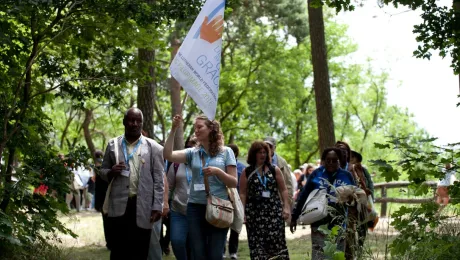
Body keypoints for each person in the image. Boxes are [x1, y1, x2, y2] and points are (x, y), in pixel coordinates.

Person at [163, 114, 237, 260]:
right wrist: (173, 129)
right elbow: (168, 155)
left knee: (215, 254)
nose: (195, 130)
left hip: (219, 207)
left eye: (199, 127)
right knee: (198, 253)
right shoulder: (193, 153)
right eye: (194, 127)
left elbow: (233, 182)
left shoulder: (226, 152)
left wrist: (218, 172)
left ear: (211, 129)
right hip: (195, 208)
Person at [100, 108, 165, 260]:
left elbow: (159, 180)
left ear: (142, 124)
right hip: (119, 206)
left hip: (143, 206)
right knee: (118, 251)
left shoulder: (154, 147)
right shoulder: (113, 145)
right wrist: (110, 172)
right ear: (124, 122)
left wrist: (157, 206)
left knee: (140, 251)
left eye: (138, 121)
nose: (134, 124)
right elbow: (102, 171)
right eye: (131, 120)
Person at [291, 148, 356, 260]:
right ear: (323, 161)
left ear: (339, 161)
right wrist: (294, 216)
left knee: (336, 256)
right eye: (328, 160)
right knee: (319, 256)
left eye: (334, 160)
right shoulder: (316, 174)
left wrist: (350, 201)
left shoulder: (346, 176)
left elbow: (355, 198)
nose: (330, 163)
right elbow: (304, 195)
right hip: (319, 223)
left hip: (339, 224)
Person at [240, 141, 290, 259]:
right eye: (259, 152)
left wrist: (286, 207)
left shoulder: (274, 169)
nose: (262, 155)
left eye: (264, 152)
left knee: (277, 244)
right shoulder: (246, 172)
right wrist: (242, 212)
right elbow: (242, 193)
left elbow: (283, 190)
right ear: (254, 154)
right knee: (257, 247)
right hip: (254, 215)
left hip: (274, 212)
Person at [167, 138, 196, 260]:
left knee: (195, 246)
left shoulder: (206, 162)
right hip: (178, 211)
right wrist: (164, 204)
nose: (191, 149)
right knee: (177, 241)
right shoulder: (176, 164)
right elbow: (168, 186)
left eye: (194, 147)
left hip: (198, 212)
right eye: (189, 146)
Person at [223, 143, 246, 259]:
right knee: (223, 223)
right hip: (224, 198)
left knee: (235, 227)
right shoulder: (221, 164)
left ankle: (233, 252)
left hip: (237, 200)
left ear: (235, 153)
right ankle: (222, 250)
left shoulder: (241, 168)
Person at [350, 150, 374, 252]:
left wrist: (370, 197)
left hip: (363, 201)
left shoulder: (363, 170)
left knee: (362, 226)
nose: (351, 159)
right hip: (350, 201)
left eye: (352, 157)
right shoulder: (346, 170)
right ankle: (351, 248)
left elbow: (370, 184)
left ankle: (359, 248)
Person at [263, 137, 293, 206]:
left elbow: (288, 184)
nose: (267, 149)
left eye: (270, 146)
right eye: (265, 146)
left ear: (274, 148)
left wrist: (287, 203)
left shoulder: (281, 162)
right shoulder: (257, 161)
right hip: (261, 202)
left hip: (278, 202)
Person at [93, 149, 112, 250]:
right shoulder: (108, 167)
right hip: (110, 196)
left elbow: (97, 187)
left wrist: (97, 203)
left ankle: (109, 242)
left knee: (106, 221)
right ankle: (112, 242)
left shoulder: (97, 168)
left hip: (102, 198)